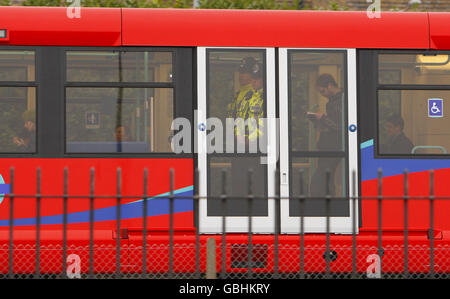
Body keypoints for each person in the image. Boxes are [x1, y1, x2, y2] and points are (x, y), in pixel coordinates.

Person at [307, 74, 343, 198]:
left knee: (319, 181)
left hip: (334, 146)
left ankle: (323, 207)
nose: (322, 94)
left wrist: (323, 118)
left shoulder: (342, 100)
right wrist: (320, 122)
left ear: (329, 85)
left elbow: (341, 127)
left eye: (323, 91)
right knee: (327, 178)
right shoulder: (333, 101)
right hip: (329, 145)